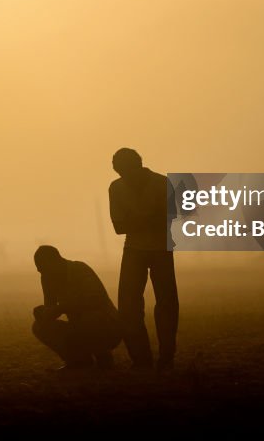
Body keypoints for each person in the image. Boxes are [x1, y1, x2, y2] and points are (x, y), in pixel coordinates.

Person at [108, 148, 179, 371]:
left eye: (125, 170)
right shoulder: (117, 187)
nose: (124, 176)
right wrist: (152, 218)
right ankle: (142, 359)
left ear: (138, 165)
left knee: (166, 304)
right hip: (138, 250)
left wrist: (137, 221)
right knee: (129, 307)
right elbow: (120, 227)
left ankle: (166, 356)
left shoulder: (162, 183)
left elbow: (171, 216)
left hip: (157, 250)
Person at [31, 245, 123, 370]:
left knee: (91, 317)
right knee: (39, 326)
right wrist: (44, 313)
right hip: (78, 326)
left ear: (55, 261)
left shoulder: (80, 269)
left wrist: (61, 308)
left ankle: (103, 356)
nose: (40, 272)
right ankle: (79, 360)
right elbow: (51, 308)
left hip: (107, 325)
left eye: (42, 268)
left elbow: (95, 300)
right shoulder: (47, 277)